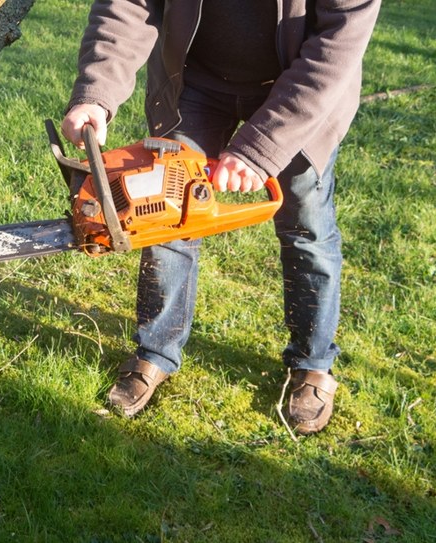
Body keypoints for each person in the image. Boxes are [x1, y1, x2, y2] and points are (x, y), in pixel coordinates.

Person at [61, 0, 381, 433]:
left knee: (305, 223)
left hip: (301, 93)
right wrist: (96, 93)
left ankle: (313, 363)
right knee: (167, 213)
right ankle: (156, 351)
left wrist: (261, 147)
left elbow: (336, 45)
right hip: (194, 80)